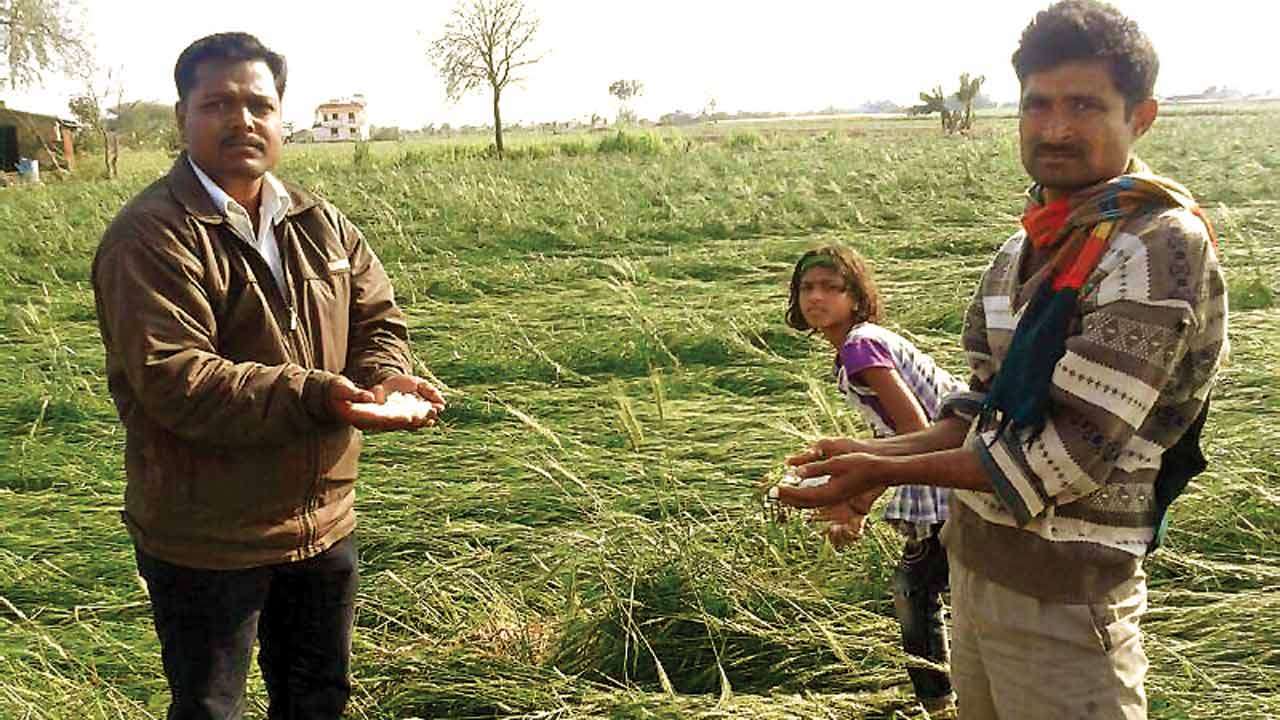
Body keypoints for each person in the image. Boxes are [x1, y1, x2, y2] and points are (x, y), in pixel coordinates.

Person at [776, 2, 1227, 718]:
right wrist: (862, 460)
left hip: (1065, 601)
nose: (1054, 128)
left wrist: (884, 469)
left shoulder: (1156, 247)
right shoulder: (1024, 249)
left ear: (1141, 116)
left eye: (1084, 105)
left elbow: (1063, 457)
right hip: (977, 571)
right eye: (1037, 104)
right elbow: (977, 413)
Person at [91, 32, 444, 719]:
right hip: (207, 535)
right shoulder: (151, 235)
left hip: (322, 522)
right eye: (218, 102)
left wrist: (387, 377)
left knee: (317, 699)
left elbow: (377, 320)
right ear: (182, 117)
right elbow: (178, 379)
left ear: (281, 117)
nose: (242, 120)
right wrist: (322, 394)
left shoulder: (321, 223)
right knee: (209, 708)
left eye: (259, 104)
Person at [783, 244, 963, 717]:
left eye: (830, 288)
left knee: (915, 589)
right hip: (949, 466)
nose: (816, 298)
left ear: (856, 297)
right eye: (807, 288)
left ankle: (940, 705)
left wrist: (844, 475)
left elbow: (915, 434)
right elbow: (894, 444)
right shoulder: (860, 345)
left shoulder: (861, 348)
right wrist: (858, 505)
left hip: (950, 472)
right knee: (941, 587)